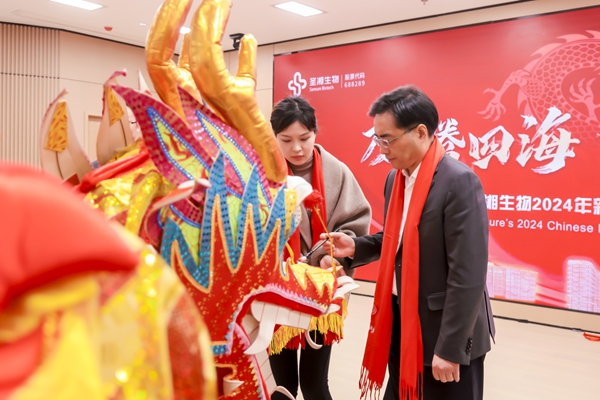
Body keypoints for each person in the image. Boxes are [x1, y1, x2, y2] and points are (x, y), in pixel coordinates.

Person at [322, 85, 495, 400]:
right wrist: (356, 247)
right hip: (402, 323)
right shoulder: (397, 178)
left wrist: (450, 348)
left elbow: (468, 275)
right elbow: (397, 240)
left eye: (388, 139)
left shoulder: (458, 182)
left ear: (420, 132)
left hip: (443, 332)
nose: (382, 149)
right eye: (378, 140)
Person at [268, 96, 372, 400]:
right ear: (274, 137)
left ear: (315, 132)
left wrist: (329, 257)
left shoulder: (336, 172)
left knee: (314, 384)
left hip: (323, 289)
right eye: (286, 140)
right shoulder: (263, 173)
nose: (296, 148)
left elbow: (354, 225)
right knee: (283, 385)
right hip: (278, 289)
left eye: (304, 138)